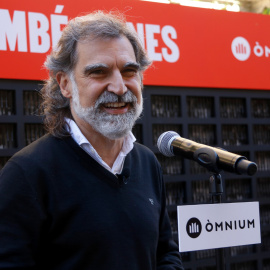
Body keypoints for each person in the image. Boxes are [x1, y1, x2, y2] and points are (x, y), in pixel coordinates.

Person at [0, 10, 184, 270]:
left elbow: (165, 254)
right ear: (65, 84)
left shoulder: (147, 162)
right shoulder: (27, 174)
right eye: (99, 72)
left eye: (129, 71)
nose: (119, 87)